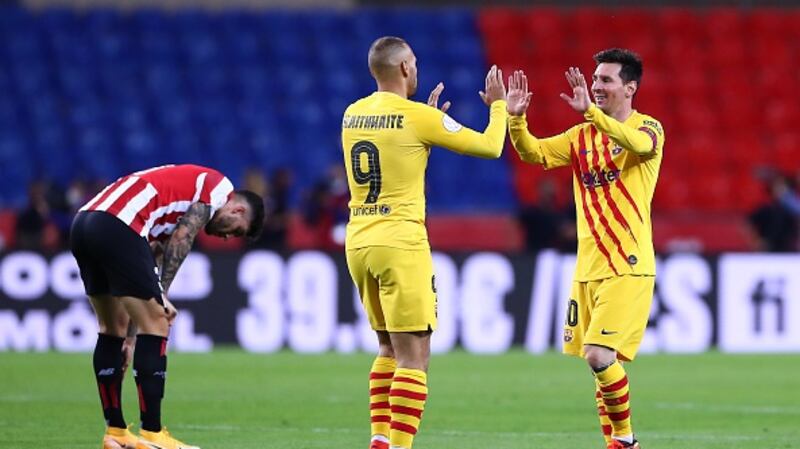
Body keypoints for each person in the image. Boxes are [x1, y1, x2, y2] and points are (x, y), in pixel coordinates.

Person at [342, 36, 507, 449]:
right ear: (403, 68)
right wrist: (500, 107)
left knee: (387, 348)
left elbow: (395, 156)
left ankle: (380, 440)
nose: (416, 69)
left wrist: (425, 132)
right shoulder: (417, 117)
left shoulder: (352, 113)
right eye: (413, 63)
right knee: (414, 357)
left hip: (359, 241)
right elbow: (491, 146)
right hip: (400, 242)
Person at [506, 49, 665, 449]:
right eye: (595, 78)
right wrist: (516, 119)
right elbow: (533, 153)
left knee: (598, 355)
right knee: (599, 365)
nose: (596, 85)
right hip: (588, 268)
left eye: (606, 79)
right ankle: (614, 442)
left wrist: (592, 114)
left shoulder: (649, 128)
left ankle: (625, 441)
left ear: (630, 88)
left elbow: (638, 144)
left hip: (627, 265)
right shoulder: (581, 137)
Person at [70, 164, 264, 449]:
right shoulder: (220, 188)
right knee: (159, 320)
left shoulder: (172, 206)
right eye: (235, 231)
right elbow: (182, 238)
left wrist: (131, 340)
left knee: (113, 329)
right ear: (238, 210)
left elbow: (149, 261)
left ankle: (116, 432)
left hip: (85, 223)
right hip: (119, 223)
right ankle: (153, 435)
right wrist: (161, 295)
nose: (226, 237)